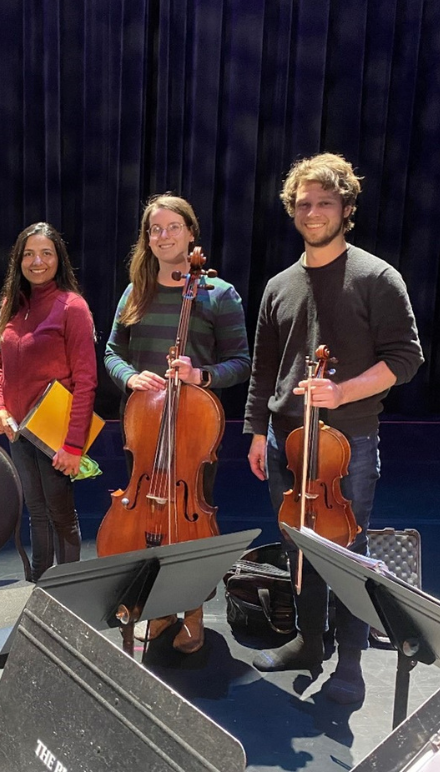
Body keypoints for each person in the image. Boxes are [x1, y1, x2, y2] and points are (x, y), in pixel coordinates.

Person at [244, 153, 424, 703]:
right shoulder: (279, 284)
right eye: (304, 203)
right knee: (297, 544)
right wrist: (256, 431)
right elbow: (263, 368)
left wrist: (343, 391)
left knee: (346, 550)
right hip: (284, 441)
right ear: (292, 210)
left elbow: (406, 358)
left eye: (325, 202)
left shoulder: (377, 277)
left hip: (349, 443)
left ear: (346, 208)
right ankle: (307, 641)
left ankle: (350, 662)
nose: (313, 211)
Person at [104, 194, 251, 653]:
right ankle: (157, 609)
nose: (163, 237)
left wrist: (201, 375)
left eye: (172, 228)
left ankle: (191, 612)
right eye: (154, 230)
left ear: (191, 232)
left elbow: (242, 362)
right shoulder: (136, 292)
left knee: (188, 526)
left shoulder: (219, 294)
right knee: (145, 522)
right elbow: (111, 352)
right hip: (146, 430)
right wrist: (130, 378)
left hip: (192, 433)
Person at [0, 223, 98, 582]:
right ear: (18, 260)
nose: (37, 261)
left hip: (56, 434)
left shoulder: (72, 307)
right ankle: (39, 584)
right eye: (29, 254)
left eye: (46, 253)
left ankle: (66, 591)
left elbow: (86, 381)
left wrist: (74, 445)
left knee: (61, 513)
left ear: (58, 258)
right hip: (19, 431)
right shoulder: (10, 304)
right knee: (35, 510)